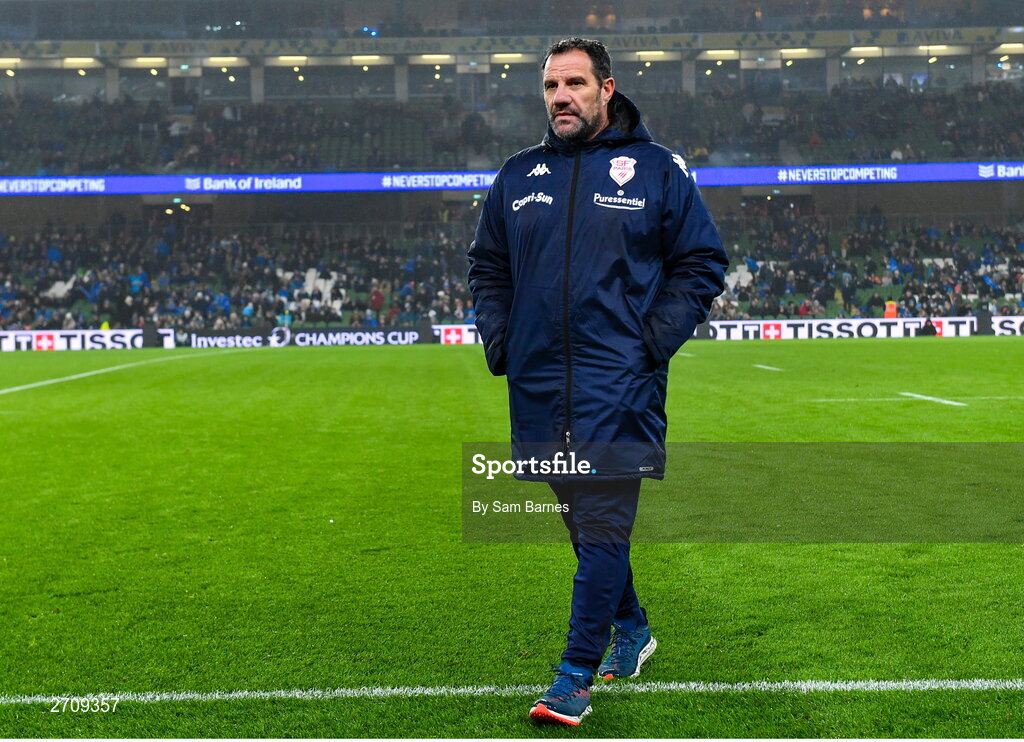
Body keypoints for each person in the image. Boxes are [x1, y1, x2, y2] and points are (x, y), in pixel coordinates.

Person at [467, 37, 728, 726]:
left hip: (622, 385)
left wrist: (651, 344)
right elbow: (487, 267)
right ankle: (634, 628)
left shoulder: (655, 170)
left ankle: (573, 676)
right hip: (540, 387)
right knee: (582, 525)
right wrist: (502, 343)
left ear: (606, 90)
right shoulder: (518, 176)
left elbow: (702, 262)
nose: (561, 97)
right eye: (552, 86)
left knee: (605, 523)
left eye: (575, 84)